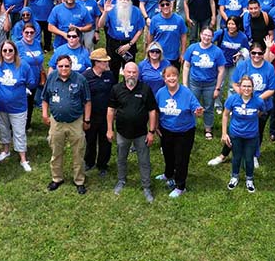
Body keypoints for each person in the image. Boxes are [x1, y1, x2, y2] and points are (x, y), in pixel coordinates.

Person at [0, 37, 35, 171]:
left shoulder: (24, 65)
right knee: (3, 129)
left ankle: (23, 159)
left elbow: (31, 82)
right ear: (1, 52)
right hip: (0, 106)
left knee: (19, 132)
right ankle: (5, 150)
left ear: (15, 51)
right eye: (5, 50)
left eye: (10, 50)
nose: (7, 52)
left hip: (18, 107)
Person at [107, 62, 158, 202]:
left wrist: (151, 131)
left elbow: (152, 111)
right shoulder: (116, 89)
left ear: (138, 74)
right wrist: (110, 129)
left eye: (134, 72)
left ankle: (146, 186)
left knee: (144, 161)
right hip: (122, 133)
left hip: (141, 133)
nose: (131, 75)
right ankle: (121, 180)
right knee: (121, 158)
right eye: (128, 72)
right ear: (124, 73)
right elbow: (111, 110)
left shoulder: (145, 89)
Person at [41, 54, 91, 194]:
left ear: (71, 66)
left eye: (66, 66)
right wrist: (45, 114)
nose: (63, 68)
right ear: (57, 66)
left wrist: (86, 120)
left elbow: (87, 101)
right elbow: (45, 98)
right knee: (56, 152)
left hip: (75, 121)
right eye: (61, 66)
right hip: (56, 122)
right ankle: (57, 178)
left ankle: (79, 180)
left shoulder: (80, 79)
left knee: (78, 153)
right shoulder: (51, 78)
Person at [155, 65, 204, 198]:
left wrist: (198, 111)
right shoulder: (160, 93)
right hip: (166, 130)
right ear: (164, 79)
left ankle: (180, 186)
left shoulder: (186, 92)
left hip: (184, 132)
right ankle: (168, 174)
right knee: (167, 154)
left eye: (174, 75)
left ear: (178, 77)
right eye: (168, 76)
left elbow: (196, 108)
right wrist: (156, 126)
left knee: (181, 159)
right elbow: (156, 111)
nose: (172, 78)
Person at [182, 27, 226, 140]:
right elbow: (186, 66)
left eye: (209, 36)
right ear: (200, 35)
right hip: (194, 83)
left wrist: (217, 88)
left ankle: (208, 129)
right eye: (204, 35)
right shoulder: (192, 48)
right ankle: (189, 126)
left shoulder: (217, 51)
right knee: (191, 106)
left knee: (209, 107)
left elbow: (221, 70)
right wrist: (185, 84)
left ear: (212, 37)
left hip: (210, 84)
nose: (206, 38)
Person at [83, 48, 116, 176]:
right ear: (96, 63)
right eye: (104, 62)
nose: (106, 64)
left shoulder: (110, 75)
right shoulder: (85, 77)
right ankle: (89, 161)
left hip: (106, 115)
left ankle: (103, 164)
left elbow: (113, 93)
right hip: (91, 115)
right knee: (90, 140)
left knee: (106, 141)